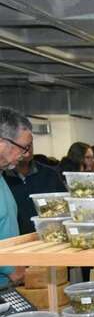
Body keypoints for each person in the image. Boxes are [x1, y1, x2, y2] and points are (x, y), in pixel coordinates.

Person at [0, 107, 32, 287]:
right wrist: (10, 268)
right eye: (22, 147)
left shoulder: (3, 178)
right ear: (2, 142)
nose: (26, 154)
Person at [4, 142, 66, 234]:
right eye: (23, 146)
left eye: (30, 145)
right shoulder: (4, 178)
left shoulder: (49, 174)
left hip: (50, 235)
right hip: (17, 239)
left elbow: (64, 205)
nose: (28, 150)